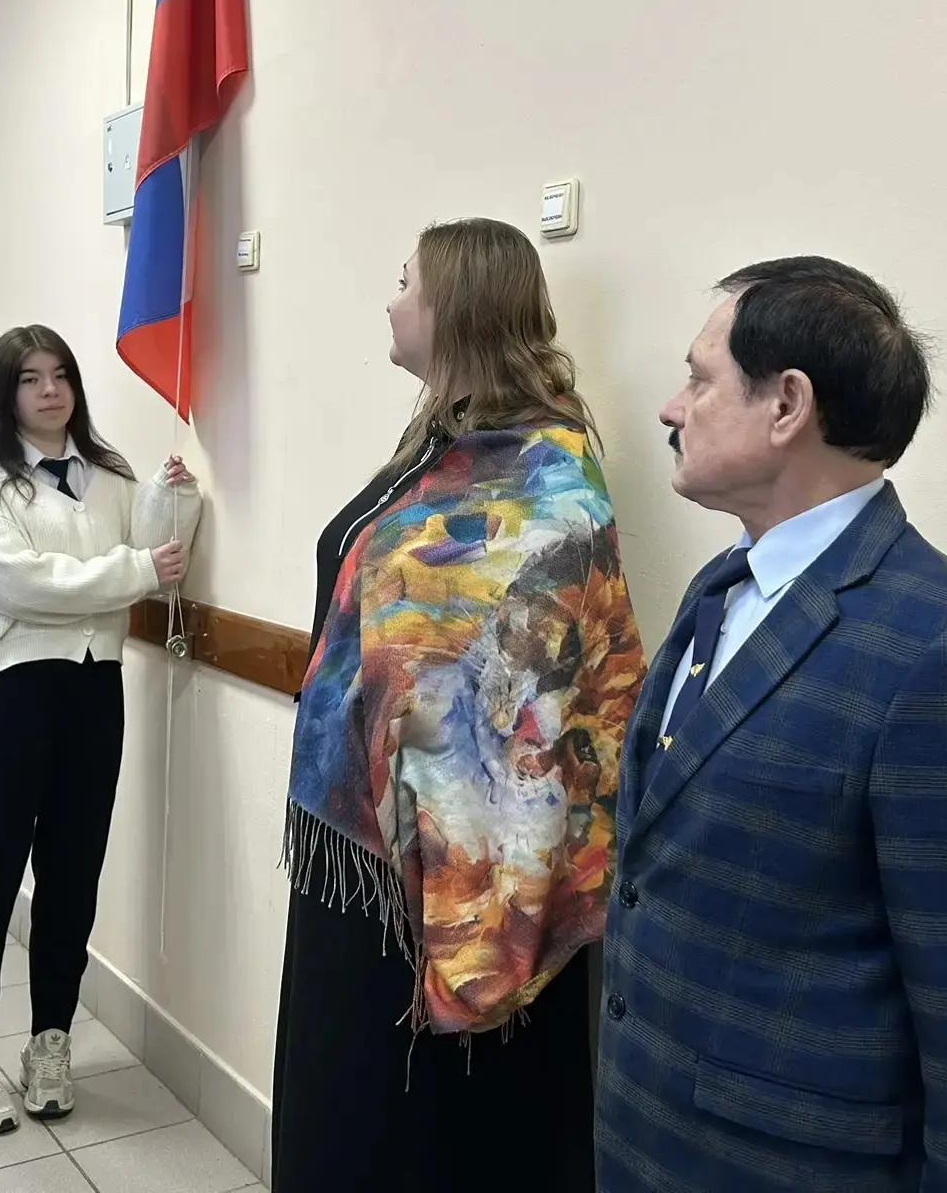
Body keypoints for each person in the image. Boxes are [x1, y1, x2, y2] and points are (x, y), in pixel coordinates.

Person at [597, 257, 947, 1192]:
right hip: (650, 1144)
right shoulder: (721, 591)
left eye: (700, 379)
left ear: (787, 404)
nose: (671, 408)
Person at [271, 218, 646, 1193]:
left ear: (457, 306)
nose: (390, 300)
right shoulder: (434, 446)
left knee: (434, 1136)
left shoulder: (548, 473)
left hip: (465, 867)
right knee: (345, 1111)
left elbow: (539, 688)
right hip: (365, 849)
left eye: (406, 282)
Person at [0, 324, 201, 1135]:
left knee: (72, 879)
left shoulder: (108, 478)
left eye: (60, 375)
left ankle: (50, 1043)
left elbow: (155, 559)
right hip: (4, 699)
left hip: (92, 697)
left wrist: (172, 498)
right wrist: (130, 573)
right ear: (5, 393)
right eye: (30, 378)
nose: (50, 391)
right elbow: (17, 583)